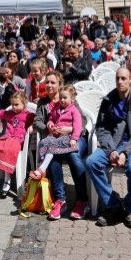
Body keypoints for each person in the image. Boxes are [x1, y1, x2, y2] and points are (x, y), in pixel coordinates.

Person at [87, 67, 131, 229]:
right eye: (118, 78)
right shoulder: (108, 100)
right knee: (91, 162)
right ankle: (113, 204)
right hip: (113, 146)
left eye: (124, 78)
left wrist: (125, 152)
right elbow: (101, 128)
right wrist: (112, 150)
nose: (120, 82)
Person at [33, 70, 89, 221]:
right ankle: (60, 200)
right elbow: (38, 121)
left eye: (53, 82)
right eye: (47, 82)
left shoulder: (68, 99)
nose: (49, 85)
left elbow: (82, 122)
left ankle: (82, 200)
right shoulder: (43, 102)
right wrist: (48, 127)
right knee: (53, 159)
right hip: (55, 139)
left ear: (59, 84)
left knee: (74, 157)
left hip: (74, 138)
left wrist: (69, 130)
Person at [0, 91, 34, 199]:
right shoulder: (9, 113)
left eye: (16, 104)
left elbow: (36, 119)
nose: (13, 107)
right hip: (6, 138)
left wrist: (31, 126)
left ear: (24, 104)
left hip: (17, 141)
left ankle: (7, 181)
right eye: (12, 104)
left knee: (7, 151)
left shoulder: (28, 115)